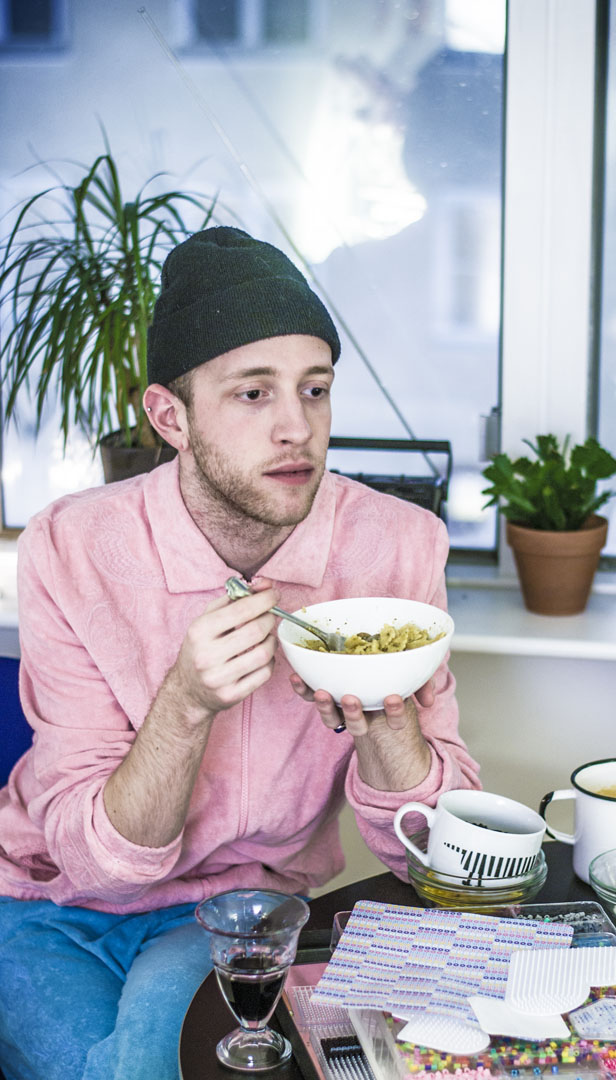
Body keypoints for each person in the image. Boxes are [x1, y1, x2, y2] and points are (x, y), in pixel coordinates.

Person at [0, 226, 480, 1080]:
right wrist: (185, 703)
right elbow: (94, 864)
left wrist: (385, 715)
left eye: (315, 390)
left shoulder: (397, 548)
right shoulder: (71, 547)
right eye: (253, 394)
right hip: (45, 899)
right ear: (170, 417)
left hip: (239, 909)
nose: (297, 428)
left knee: (151, 1066)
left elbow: (436, 861)